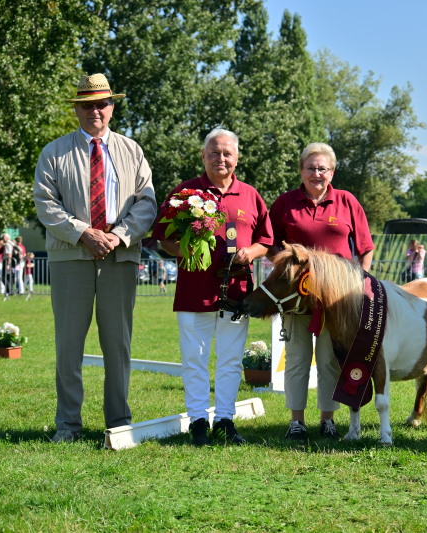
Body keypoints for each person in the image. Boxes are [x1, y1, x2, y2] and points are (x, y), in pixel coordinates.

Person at [34, 73, 157, 443]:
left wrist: (117, 237)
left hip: (119, 260)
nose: (95, 111)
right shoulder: (53, 153)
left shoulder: (132, 151)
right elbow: (46, 205)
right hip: (70, 259)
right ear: (76, 108)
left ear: (112, 107)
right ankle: (68, 425)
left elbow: (147, 203)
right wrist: (83, 233)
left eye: (101, 103)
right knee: (69, 345)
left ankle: (119, 421)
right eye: (87, 104)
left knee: (118, 344)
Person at [155, 128, 273, 446]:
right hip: (195, 288)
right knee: (194, 357)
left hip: (237, 289)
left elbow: (267, 239)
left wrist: (253, 251)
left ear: (236, 157)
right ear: (203, 156)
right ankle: (197, 422)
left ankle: (224, 420)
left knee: (231, 359)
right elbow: (162, 236)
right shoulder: (185, 192)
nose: (221, 158)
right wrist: (182, 250)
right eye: (214, 152)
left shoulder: (250, 195)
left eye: (227, 153)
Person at [269, 142, 374, 441]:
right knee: (298, 358)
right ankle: (296, 421)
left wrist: (360, 282)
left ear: (332, 171)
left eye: (322, 168)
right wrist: (286, 265)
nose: (317, 173)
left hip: (337, 300)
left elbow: (365, 248)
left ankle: (328, 419)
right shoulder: (285, 203)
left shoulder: (347, 201)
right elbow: (270, 244)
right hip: (296, 298)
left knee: (329, 359)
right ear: (301, 170)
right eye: (311, 168)